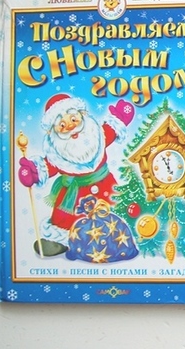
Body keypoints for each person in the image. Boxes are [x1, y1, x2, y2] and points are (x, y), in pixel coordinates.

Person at [17, 93, 134, 256]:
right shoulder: (57, 152)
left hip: (105, 187)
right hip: (73, 197)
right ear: (53, 131)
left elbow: (113, 128)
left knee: (111, 217)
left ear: (82, 115)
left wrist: (120, 117)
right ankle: (62, 241)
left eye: (73, 119)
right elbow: (47, 167)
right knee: (67, 221)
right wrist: (32, 173)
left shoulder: (96, 135)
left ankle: (111, 239)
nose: (70, 127)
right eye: (62, 125)